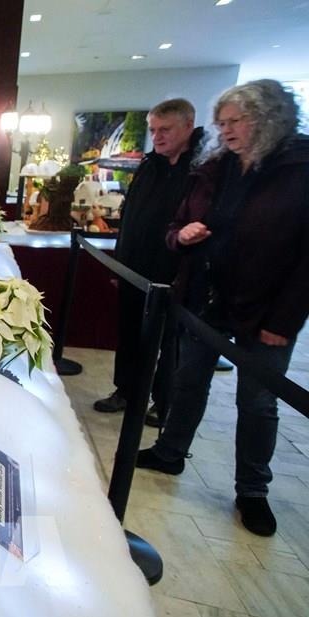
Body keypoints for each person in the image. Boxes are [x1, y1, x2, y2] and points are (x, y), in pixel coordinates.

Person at [137, 80, 309, 536]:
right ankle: (170, 452)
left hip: (266, 310)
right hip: (205, 297)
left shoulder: (299, 168)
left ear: (269, 118)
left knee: (257, 401)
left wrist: (284, 320)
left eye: (237, 121)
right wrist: (182, 236)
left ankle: (252, 490)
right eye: (222, 123)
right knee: (187, 380)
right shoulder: (215, 167)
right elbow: (176, 225)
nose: (227, 130)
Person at [94, 99, 204, 427]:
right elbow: (130, 216)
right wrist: (120, 264)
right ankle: (126, 390)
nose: (157, 136)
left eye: (165, 129)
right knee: (129, 333)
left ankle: (163, 401)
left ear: (188, 125)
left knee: (170, 341)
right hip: (135, 268)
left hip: (175, 272)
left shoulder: (201, 169)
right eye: (153, 130)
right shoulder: (149, 164)